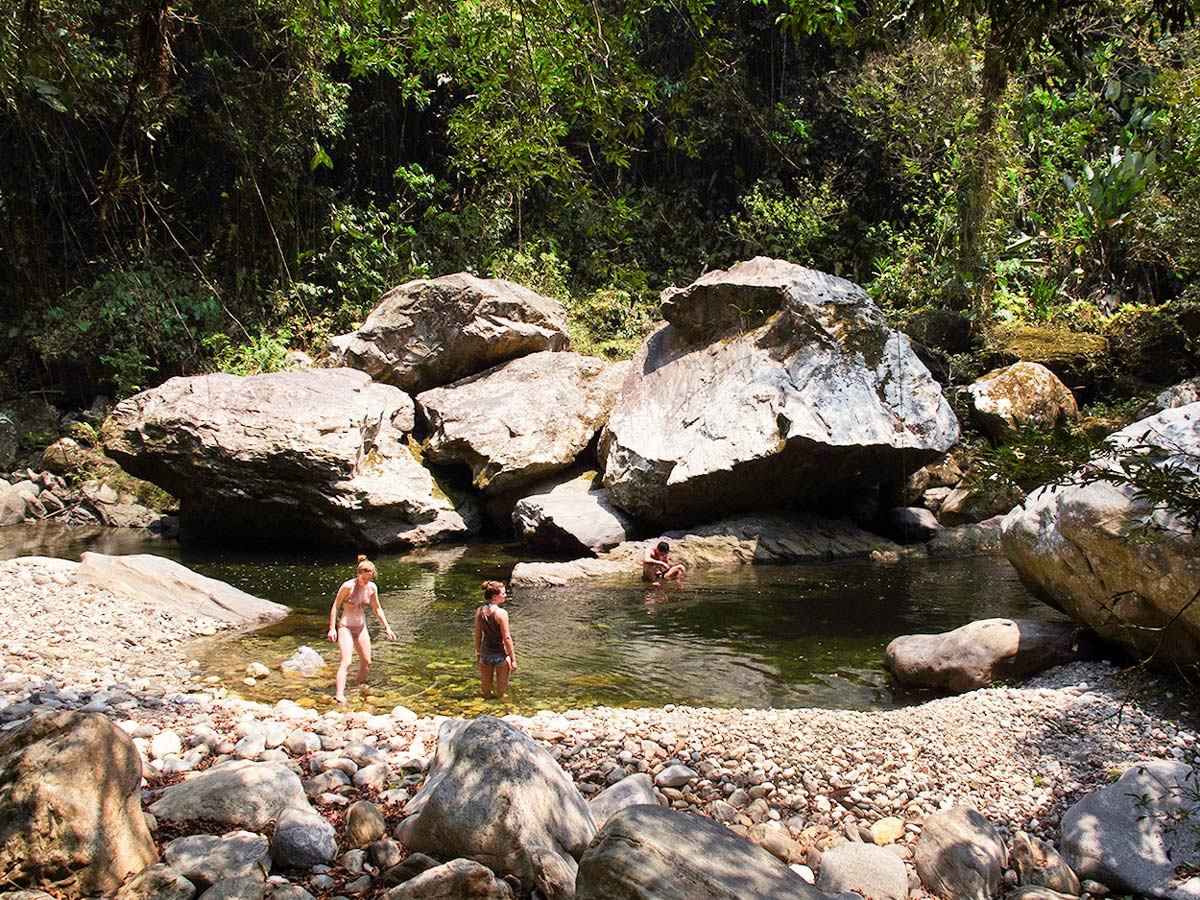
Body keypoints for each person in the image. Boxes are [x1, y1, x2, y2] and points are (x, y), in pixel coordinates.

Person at [327, 555, 395, 704]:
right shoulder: (347, 586)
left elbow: (377, 609)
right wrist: (332, 628)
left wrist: (387, 627)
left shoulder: (372, 588)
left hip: (361, 626)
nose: (366, 581)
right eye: (364, 578)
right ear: (359, 574)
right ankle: (339, 694)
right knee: (347, 661)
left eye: (369, 578)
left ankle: (357, 687)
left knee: (367, 662)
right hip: (346, 626)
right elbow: (335, 606)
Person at [474, 581, 517, 699]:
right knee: (501, 692)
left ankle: (485, 709)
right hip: (501, 656)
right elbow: (507, 638)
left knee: (486, 690)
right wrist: (513, 659)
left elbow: (477, 635)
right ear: (495, 597)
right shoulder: (501, 613)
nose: (505, 595)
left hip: (485, 655)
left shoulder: (479, 612)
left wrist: (478, 654)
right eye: (503, 593)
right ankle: (500, 709)